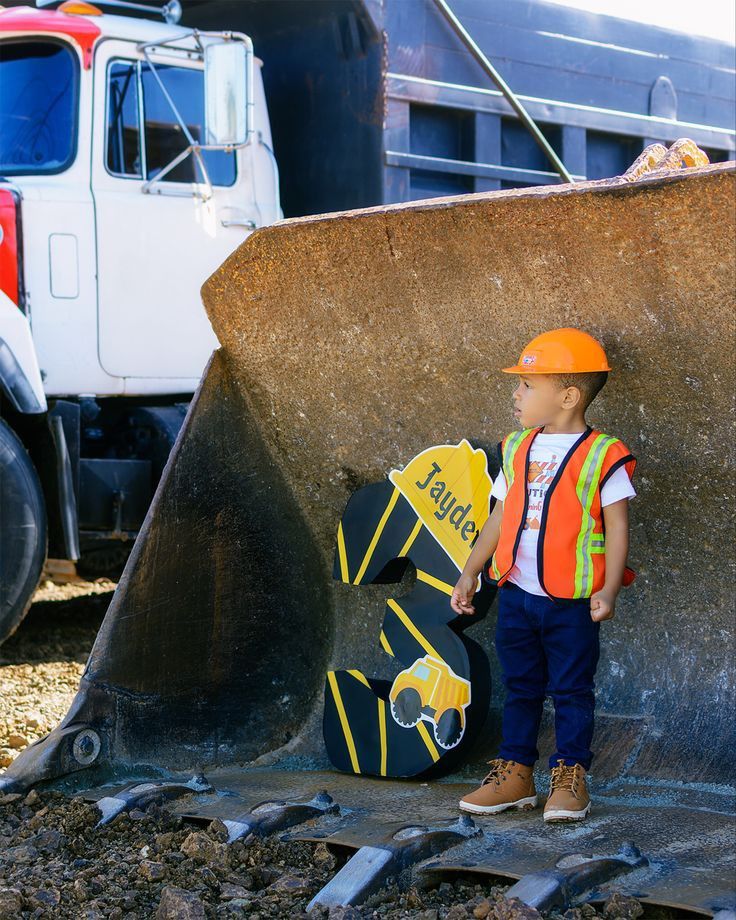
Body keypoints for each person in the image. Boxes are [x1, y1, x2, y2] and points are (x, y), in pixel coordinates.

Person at [451, 328, 636, 823]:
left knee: (573, 689)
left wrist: (609, 587)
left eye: (528, 385)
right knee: (521, 685)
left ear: (568, 395)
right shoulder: (516, 449)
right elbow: (499, 516)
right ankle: (515, 773)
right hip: (516, 593)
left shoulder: (603, 454)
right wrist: (471, 572)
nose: (516, 394)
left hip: (572, 602)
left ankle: (571, 775)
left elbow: (617, 528)